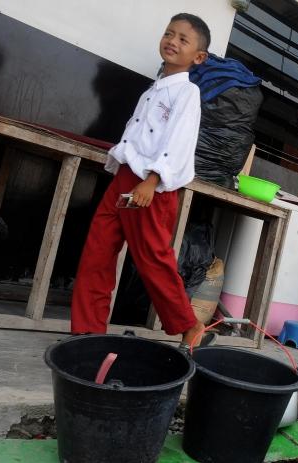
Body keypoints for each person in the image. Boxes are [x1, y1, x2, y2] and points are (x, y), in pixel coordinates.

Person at [71, 14, 212, 348]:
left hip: (150, 186)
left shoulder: (187, 92)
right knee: (97, 252)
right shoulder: (153, 89)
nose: (172, 42)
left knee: (152, 258)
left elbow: (178, 140)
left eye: (183, 39)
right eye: (169, 34)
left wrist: (152, 180)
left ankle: (188, 325)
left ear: (198, 57)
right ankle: (87, 332)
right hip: (124, 179)